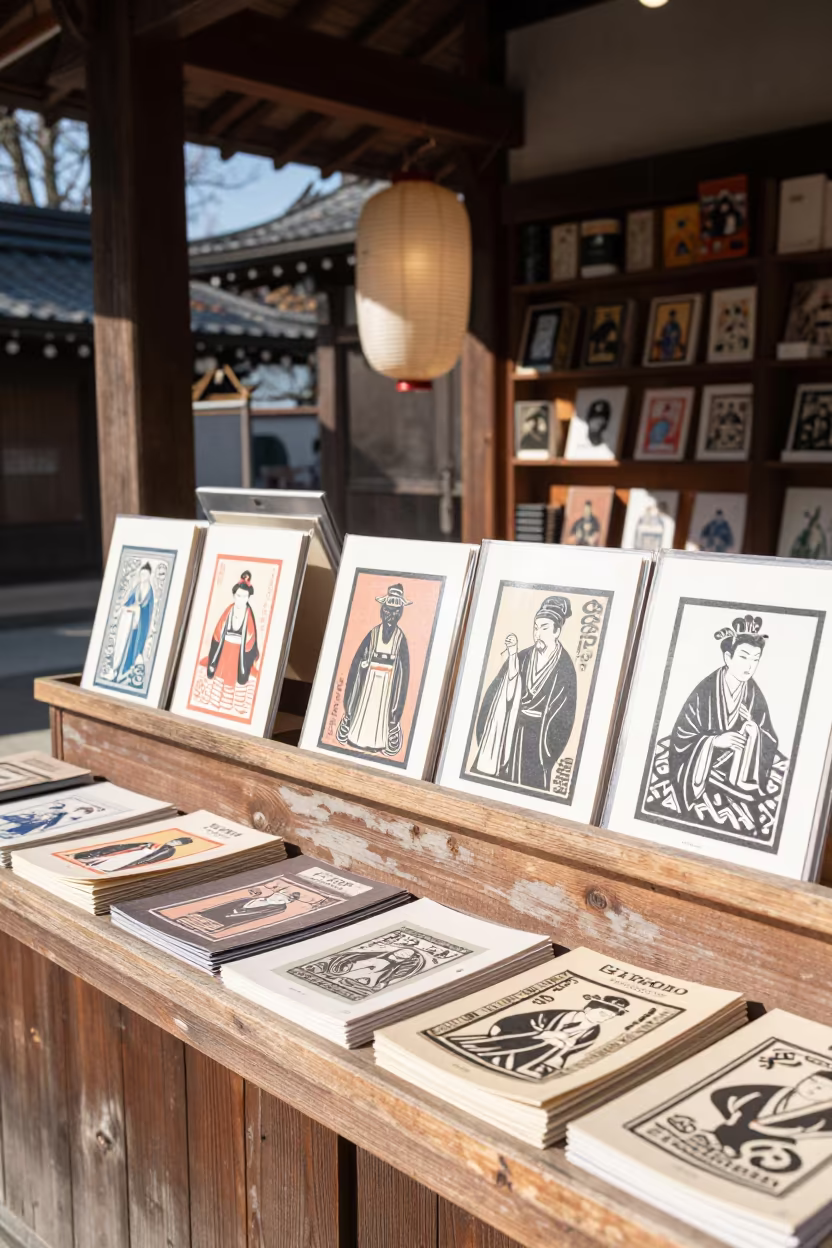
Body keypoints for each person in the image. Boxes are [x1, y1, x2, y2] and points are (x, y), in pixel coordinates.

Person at [664, 615, 778, 816]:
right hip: (702, 765)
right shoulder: (705, 690)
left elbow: (769, 737)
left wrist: (754, 730)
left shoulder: (753, 693)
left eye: (755, 659)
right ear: (728, 657)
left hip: (735, 771)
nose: (749, 666)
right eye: (743, 657)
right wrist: (715, 742)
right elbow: (682, 737)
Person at [472, 595, 577, 793]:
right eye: (535, 627)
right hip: (509, 731)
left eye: (544, 628)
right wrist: (512, 656)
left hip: (537, 743)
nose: (537, 633)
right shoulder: (521, 657)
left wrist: (546, 753)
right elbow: (496, 693)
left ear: (557, 631)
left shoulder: (565, 667)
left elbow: (565, 715)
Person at [449, 994, 630, 1078]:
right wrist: (546, 1034)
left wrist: (554, 1063)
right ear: (588, 1008)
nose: (606, 1019)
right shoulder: (553, 1015)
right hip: (515, 1041)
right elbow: (513, 1023)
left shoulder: (592, 1031)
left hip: (541, 1057)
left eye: (610, 1017)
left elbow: (569, 1052)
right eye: (603, 1014)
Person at [337, 584, 411, 756]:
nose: (390, 616)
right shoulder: (373, 633)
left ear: (400, 613)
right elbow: (355, 665)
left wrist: (395, 715)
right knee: (364, 710)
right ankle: (356, 737)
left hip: (388, 684)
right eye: (387, 611)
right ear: (382, 610)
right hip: (368, 680)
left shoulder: (400, 639)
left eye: (395, 612)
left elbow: (404, 676)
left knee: (380, 715)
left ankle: (379, 742)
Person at [710, 1069, 832, 1161]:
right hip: (737, 1127)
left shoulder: (821, 1116)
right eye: (812, 1081)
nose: (814, 1088)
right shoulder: (768, 1093)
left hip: (772, 1149)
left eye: (824, 1087)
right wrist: (733, 1116)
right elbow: (724, 1096)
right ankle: (720, 1138)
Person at [199, 570, 260, 715]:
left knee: (231, 678)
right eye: (238, 595)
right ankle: (214, 701)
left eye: (244, 596)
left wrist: (247, 649)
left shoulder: (248, 614)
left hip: (238, 652)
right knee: (219, 673)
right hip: (224, 647)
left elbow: (251, 638)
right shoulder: (229, 610)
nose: (241, 599)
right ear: (234, 596)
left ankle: (227, 705)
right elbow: (218, 631)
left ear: (248, 597)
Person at [113, 562, 154, 684]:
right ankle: (122, 670)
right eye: (141, 574)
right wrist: (129, 608)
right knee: (127, 644)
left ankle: (131, 670)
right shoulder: (137, 588)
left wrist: (138, 609)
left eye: (145, 574)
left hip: (142, 623)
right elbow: (128, 603)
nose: (143, 577)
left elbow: (147, 609)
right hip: (132, 622)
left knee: (136, 646)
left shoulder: (149, 590)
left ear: (149, 575)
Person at [68, 836, 194, 872]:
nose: (173, 841)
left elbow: (154, 858)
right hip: (127, 853)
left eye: (177, 842)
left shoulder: (169, 850)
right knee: (104, 858)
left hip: (134, 858)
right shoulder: (153, 843)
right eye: (175, 839)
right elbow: (130, 846)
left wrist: (138, 863)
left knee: (109, 864)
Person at [0, 800, 98, 840]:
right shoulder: (62, 810)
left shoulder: (66, 814)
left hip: (39, 823)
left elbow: (52, 822)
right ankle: (10, 831)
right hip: (36, 820)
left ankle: (12, 832)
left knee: (25, 827)